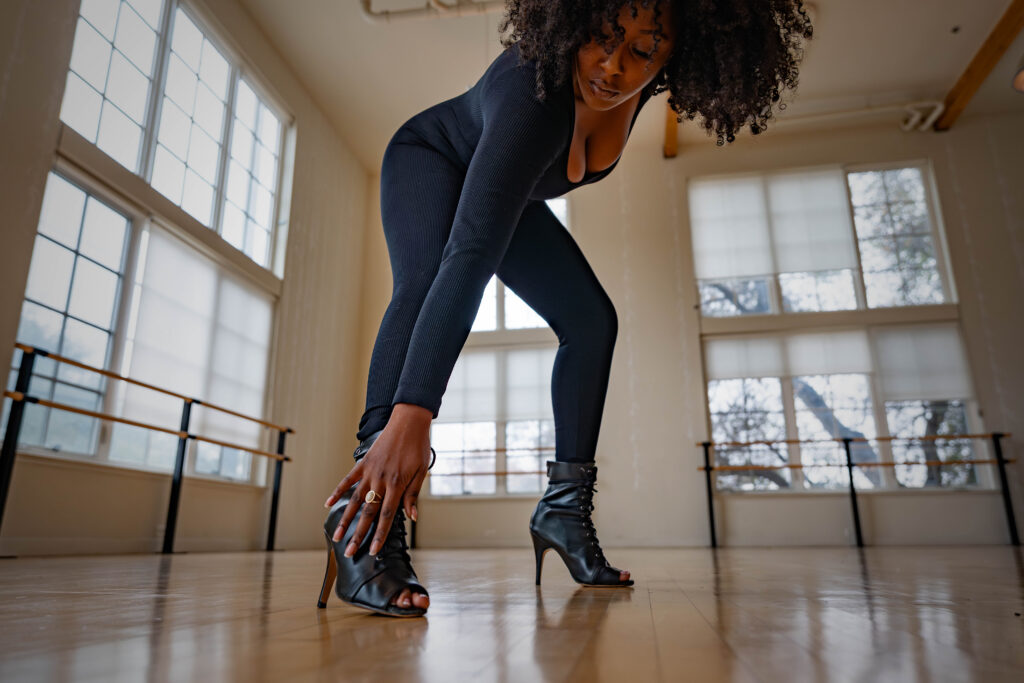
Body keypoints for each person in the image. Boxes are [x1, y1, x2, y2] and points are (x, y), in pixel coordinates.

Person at [318, 0, 813, 617]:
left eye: (641, 51)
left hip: (511, 192)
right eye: (600, 39)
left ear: (673, 55)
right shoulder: (534, 96)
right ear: (571, 22)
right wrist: (412, 415)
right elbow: (469, 255)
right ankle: (367, 502)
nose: (611, 66)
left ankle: (563, 510)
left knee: (589, 321)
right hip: (432, 160)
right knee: (422, 284)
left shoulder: (632, 92)